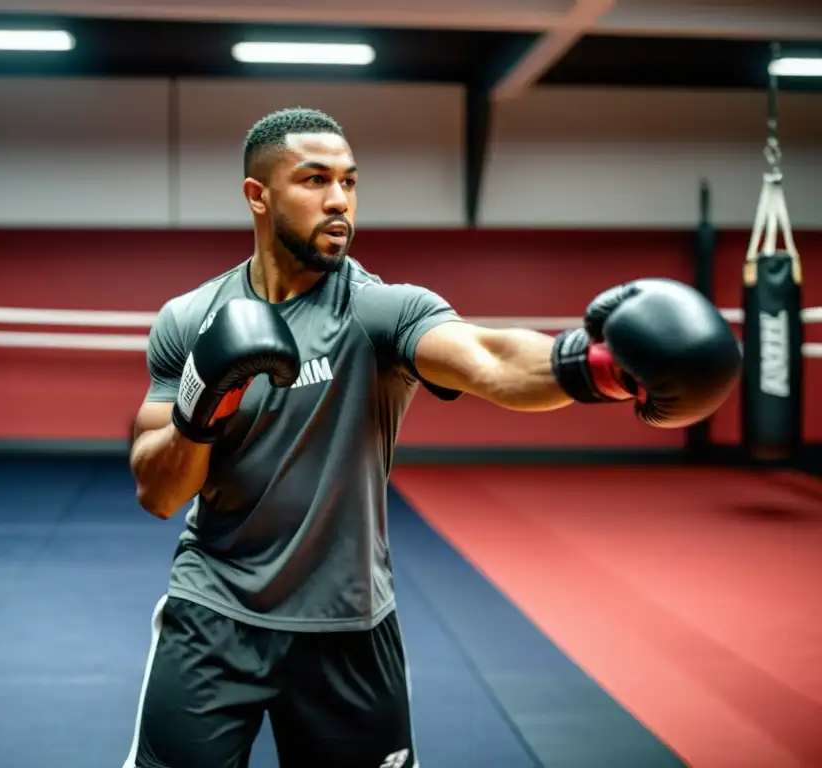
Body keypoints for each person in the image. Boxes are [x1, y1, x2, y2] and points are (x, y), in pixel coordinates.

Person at [122, 107, 741, 768]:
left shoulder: (378, 309)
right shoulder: (189, 320)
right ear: (258, 195)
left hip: (349, 626)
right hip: (212, 616)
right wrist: (201, 403)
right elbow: (159, 492)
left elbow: (492, 360)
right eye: (314, 180)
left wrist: (598, 368)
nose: (339, 200)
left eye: (350, 182)